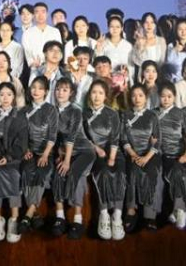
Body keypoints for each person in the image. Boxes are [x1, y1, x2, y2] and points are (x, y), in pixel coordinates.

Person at [51, 78, 95, 239]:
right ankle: (60, 217)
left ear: (71, 93)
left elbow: (71, 136)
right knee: (58, 173)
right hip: (66, 151)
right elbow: (55, 137)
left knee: (74, 174)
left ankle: (78, 219)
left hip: (84, 151)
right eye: (58, 89)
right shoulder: (52, 111)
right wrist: (60, 154)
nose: (60, 93)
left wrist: (67, 161)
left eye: (64, 90)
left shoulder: (75, 111)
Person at [83, 79, 126, 241]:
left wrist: (112, 157)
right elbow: (83, 137)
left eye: (100, 93)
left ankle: (117, 216)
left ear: (106, 96)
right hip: (95, 152)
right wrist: (96, 148)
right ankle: (104, 215)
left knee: (119, 173)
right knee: (103, 172)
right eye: (94, 92)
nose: (97, 96)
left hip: (114, 152)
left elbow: (115, 137)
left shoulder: (112, 113)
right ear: (89, 94)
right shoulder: (84, 114)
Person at [0, 82, 28, 243]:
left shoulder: (20, 116)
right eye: (2, 94)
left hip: (14, 158)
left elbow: (22, 143)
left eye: (9, 94)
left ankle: (14, 218)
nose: (5, 98)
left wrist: (9, 157)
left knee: (13, 174)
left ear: (14, 96)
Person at [18, 76, 58, 234]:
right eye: (33, 87)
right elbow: (22, 134)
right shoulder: (24, 110)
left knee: (41, 172)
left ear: (46, 91)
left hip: (46, 152)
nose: (36, 91)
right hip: (30, 152)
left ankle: (28, 213)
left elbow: (52, 135)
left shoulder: (51, 110)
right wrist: (26, 149)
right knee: (26, 171)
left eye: (40, 88)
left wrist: (46, 154)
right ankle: (33, 214)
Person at [154, 84, 186, 231]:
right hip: (161, 154)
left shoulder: (180, 114)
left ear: (174, 97)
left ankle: (180, 210)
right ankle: (176, 211)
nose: (166, 99)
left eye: (169, 96)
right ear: (158, 97)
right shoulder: (152, 113)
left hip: (180, 154)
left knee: (179, 172)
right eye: (163, 96)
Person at [121, 84, 162, 232]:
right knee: (132, 172)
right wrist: (133, 154)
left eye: (140, 95)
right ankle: (131, 210)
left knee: (151, 173)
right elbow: (123, 138)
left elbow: (158, 141)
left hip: (150, 154)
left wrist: (146, 157)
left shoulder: (152, 116)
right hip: (131, 153)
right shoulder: (125, 115)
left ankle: (150, 214)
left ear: (146, 98)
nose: (137, 99)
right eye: (134, 96)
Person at [21, 2, 62, 76]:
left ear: (47, 14)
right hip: (35, 69)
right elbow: (28, 55)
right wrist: (33, 63)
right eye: (37, 12)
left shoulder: (55, 31)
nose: (40, 15)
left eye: (43, 12)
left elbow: (59, 51)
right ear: (33, 15)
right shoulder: (27, 33)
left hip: (53, 69)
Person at [130, 12, 167, 84]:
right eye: (146, 22)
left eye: (152, 22)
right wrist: (140, 47)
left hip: (157, 76)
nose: (149, 25)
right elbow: (135, 60)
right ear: (143, 24)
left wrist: (155, 72)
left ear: (155, 25)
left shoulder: (161, 40)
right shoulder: (138, 41)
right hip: (143, 76)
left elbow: (163, 60)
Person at [96, 16, 134, 85]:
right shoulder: (104, 44)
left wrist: (127, 72)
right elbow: (99, 62)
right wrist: (98, 48)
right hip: (107, 81)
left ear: (122, 28)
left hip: (124, 82)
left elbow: (131, 65)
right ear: (108, 28)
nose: (115, 29)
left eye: (117, 27)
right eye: (112, 26)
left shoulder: (128, 45)